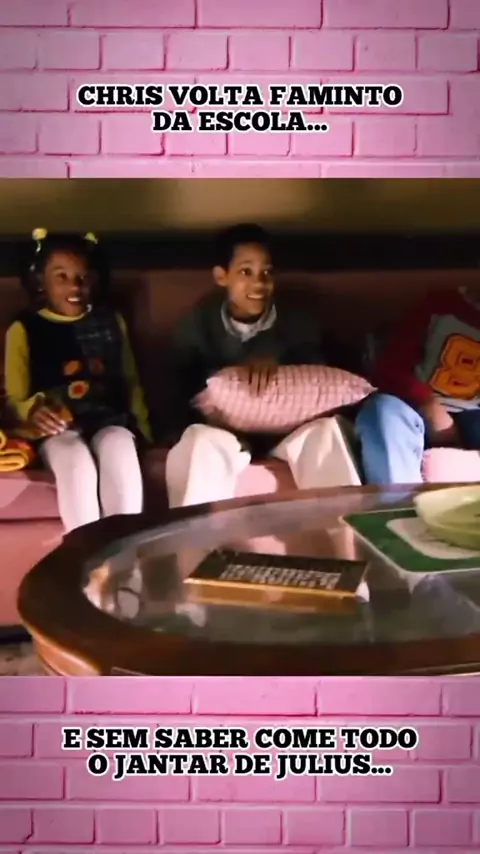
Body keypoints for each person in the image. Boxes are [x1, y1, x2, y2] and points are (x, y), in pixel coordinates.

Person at [163, 222, 360, 507]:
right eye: (246, 272)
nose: (259, 284)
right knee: (199, 442)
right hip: (226, 434)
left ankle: (344, 533)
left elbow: (319, 378)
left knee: (328, 433)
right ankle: (195, 536)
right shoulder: (199, 321)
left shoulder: (297, 320)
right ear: (221, 276)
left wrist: (277, 361)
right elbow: (179, 384)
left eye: (266, 273)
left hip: (288, 433)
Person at [5, 228, 151, 532]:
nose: (75, 286)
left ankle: (124, 552)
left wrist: (146, 432)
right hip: (58, 427)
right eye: (62, 277)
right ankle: (84, 553)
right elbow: (16, 395)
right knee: (75, 461)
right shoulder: (24, 327)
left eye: (82, 277)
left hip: (109, 419)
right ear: (40, 281)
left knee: (120, 450)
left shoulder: (111, 320)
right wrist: (33, 410)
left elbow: (130, 380)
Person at [355, 283, 480, 484]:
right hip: (416, 406)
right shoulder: (441, 304)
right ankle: (399, 502)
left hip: (474, 416)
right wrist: (428, 403)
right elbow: (390, 368)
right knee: (382, 410)